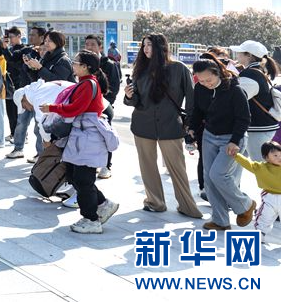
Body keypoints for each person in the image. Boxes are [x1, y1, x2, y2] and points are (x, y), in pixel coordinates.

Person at [123, 33, 202, 218]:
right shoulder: (140, 69)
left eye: (149, 45)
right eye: (144, 45)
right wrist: (128, 96)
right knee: (147, 167)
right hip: (143, 125)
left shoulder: (179, 68)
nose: (145, 49)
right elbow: (135, 101)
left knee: (177, 168)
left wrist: (190, 124)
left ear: (161, 47)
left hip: (170, 126)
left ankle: (188, 206)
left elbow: (191, 99)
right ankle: (155, 202)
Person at [40, 51, 120, 234]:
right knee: (76, 177)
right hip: (82, 136)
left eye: (76, 62)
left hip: (88, 138)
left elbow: (75, 108)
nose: (73, 65)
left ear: (85, 67)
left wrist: (52, 108)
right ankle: (103, 204)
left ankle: (91, 219)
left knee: (83, 180)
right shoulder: (86, 83)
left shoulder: (88, 84)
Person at [188, 57, 254, 230]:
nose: (205, 84)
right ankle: (220, 220)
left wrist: (234, 141)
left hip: (232, 138)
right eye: (201, 80)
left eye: (208, 79)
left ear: (217, 73)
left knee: (218, 174)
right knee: (209, 179)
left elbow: (244, 118)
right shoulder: (200, 88)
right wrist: (192, 128)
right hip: (209, 136)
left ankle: (246, 204)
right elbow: (198, 111)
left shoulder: (234, 90)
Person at [230, 40, 280, 160]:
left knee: (262, 167)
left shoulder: (250, 74)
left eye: (240, 52)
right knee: (242, 164)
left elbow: (237, 99)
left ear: (249, 55)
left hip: (258, 128)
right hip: (262, 126)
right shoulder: (258, 71)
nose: (237, 55)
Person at [5, 26, 47, 161]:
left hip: (39, 95)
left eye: (33, 35)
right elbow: (12, 59)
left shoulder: (47, 55)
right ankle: (18, 149)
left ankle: (40, 154)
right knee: (21, 122)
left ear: (42, 37)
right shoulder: (28, 50)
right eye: (30, 34)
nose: (30, 37)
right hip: (26, 93)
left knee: (39, 126)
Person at [84, 34, 121, 178]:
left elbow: (114, 88)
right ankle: (92, 164)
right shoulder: (84, 63)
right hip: (87, 108)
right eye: (87, 44)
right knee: (90, 137)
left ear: (100, 47)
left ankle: (106, 165)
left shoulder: (109, 64)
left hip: (103, 107)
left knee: (106, 136)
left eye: (93, 44)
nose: (89, 47)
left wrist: (103, 103)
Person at [231, 141, 281, 238]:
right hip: (269, 197)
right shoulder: (261, 167)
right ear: (266, 158)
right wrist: (236, 155)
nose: (279, 157)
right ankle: (260, 233)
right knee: (264, 216)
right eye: (275, 155)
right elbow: (248, 163)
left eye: (280, 155)